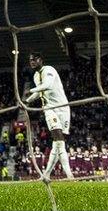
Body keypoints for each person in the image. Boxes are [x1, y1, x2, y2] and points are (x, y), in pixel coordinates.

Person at [24, 51, 74, 179]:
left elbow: (48, 85)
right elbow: (40, 92)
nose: (32, 62)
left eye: (34, 59)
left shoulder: (49, 70)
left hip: (63, 108)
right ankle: (69, 176)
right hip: (49, 108)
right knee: (58, 139)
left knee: (58, 143)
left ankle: (46, 175)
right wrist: (27, 101)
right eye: (30, 60)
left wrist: (30, 90)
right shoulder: (36, 76)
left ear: (41, 60)